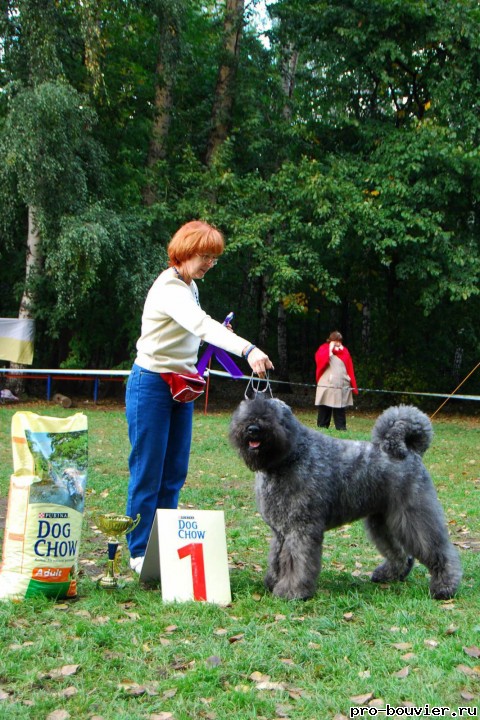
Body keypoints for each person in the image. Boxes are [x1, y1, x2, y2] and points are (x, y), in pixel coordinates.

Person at [125, 220, 274, 573]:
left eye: (214, 258)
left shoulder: (189, 286)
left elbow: (196, 330)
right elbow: (199, 324)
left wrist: (217, 334)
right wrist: (247, 348)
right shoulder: (170, 288)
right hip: (151, 384)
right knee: (149, 470)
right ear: (185, 252)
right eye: (205, 256)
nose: (209, 263)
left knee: (174, 470)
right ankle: (138, 552)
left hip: (181, 385)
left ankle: (160, 547)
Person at [314, 330, 358, 431]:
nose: (338, 343)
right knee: (325, 406)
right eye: (336, 341)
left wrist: (349, 379)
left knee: (340, 407)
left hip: (341, 384)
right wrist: (330, 349)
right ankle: (322, 427)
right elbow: (320, 360)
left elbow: (349, 366)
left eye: (339, 341)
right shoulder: (324, 349)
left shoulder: (345, 351)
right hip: (327, 384)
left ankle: (341, 428)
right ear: (331, 340)